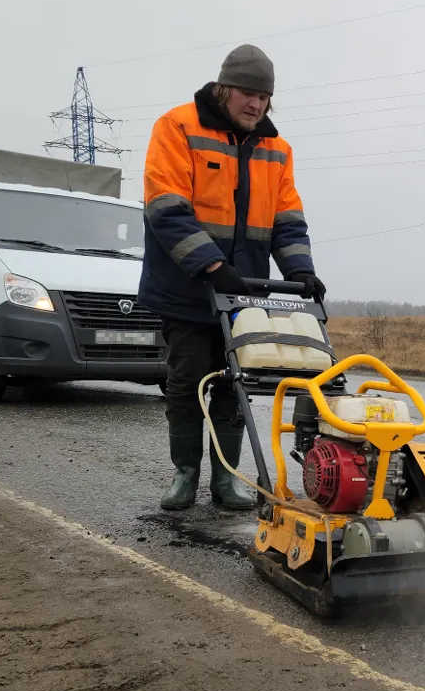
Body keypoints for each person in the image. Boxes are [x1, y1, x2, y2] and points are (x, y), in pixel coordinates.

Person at [137, 44, 326, 511]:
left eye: (264, 96)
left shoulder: (277, 150)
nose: (255, 104)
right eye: (247, 92)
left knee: (234, 381)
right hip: (186, 286)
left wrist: (301, 269)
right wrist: (212, 265)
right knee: (187, 381)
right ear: (225, 88)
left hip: (243, 293)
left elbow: (286, 218)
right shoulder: (178, 127)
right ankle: (185, 475)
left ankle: (226, 479)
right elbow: (166, 208)